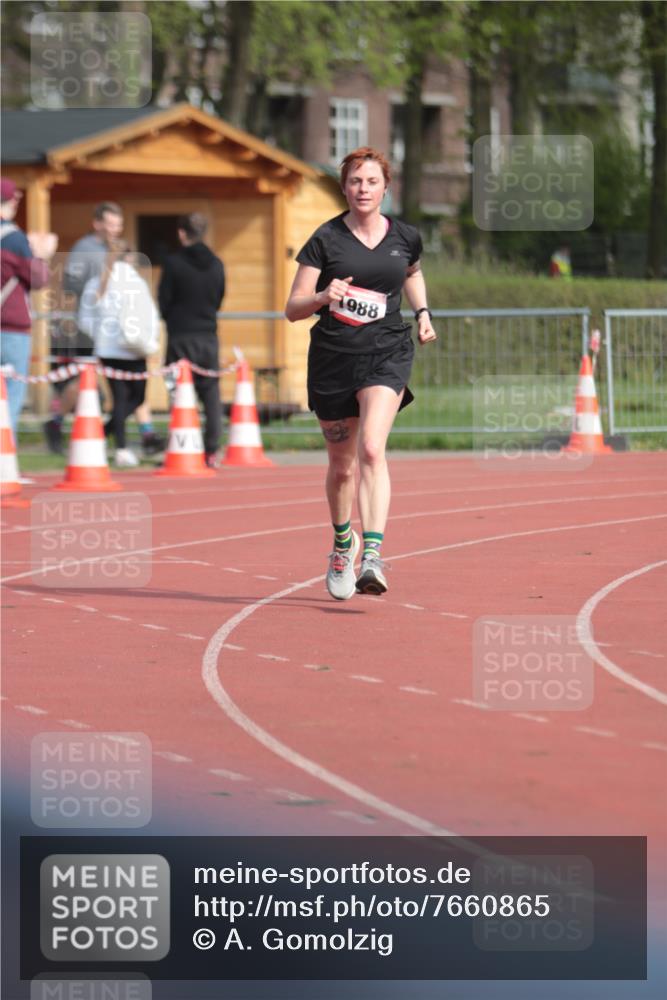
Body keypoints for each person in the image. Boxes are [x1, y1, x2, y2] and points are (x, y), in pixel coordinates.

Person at [285, 146, 436, 599]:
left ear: (386, 188)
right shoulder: (325, 240)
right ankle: (341, 544)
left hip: (387, 352)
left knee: (372, 447)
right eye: (354, 181)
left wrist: (423, 312)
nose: (363, 189)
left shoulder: (405, 236)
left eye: (371, 181)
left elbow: (412, 272)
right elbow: (293, 309)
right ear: (344, 188)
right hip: (333, 358)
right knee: (342, 466)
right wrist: (322, 295)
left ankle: (372, 554)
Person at [44, 202, 163, 455]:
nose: (115, 229)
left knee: (130, 382)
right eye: (110, 224)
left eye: (118, 225)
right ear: (97, 224)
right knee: (82, 381)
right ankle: (55, 422)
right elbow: (71, 284)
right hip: (91, 325)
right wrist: (100, 292)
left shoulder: (118, 250)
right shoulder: (84, 250)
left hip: (117, 329)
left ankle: (146, 432)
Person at [78, 239, 160, 467]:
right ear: (130, 257)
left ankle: (108, 437)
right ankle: (117, 445)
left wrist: (101, 337)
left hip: (107, 350)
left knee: (120, 400)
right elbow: (150, 315)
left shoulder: (96, 283)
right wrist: (151, 342)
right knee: (137, 397)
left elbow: (85, 320)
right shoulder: (136, 282)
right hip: (134, 350)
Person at [158, 212, 226, 468]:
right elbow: (219, 297)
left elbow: (164, 300)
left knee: (178, 393)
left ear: (181, 233)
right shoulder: (217, 264)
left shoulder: (173, 263)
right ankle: (210, 450)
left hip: (180, 335)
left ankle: (181, 446)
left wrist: (173, 319)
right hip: (208, 335)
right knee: (210, 394)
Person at [0, 178, 57, 436]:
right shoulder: (13, 238)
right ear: (11, 201)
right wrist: (43, 254)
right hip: (10, 327)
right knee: (11, 393)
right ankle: (4, 458)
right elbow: (38, 279)